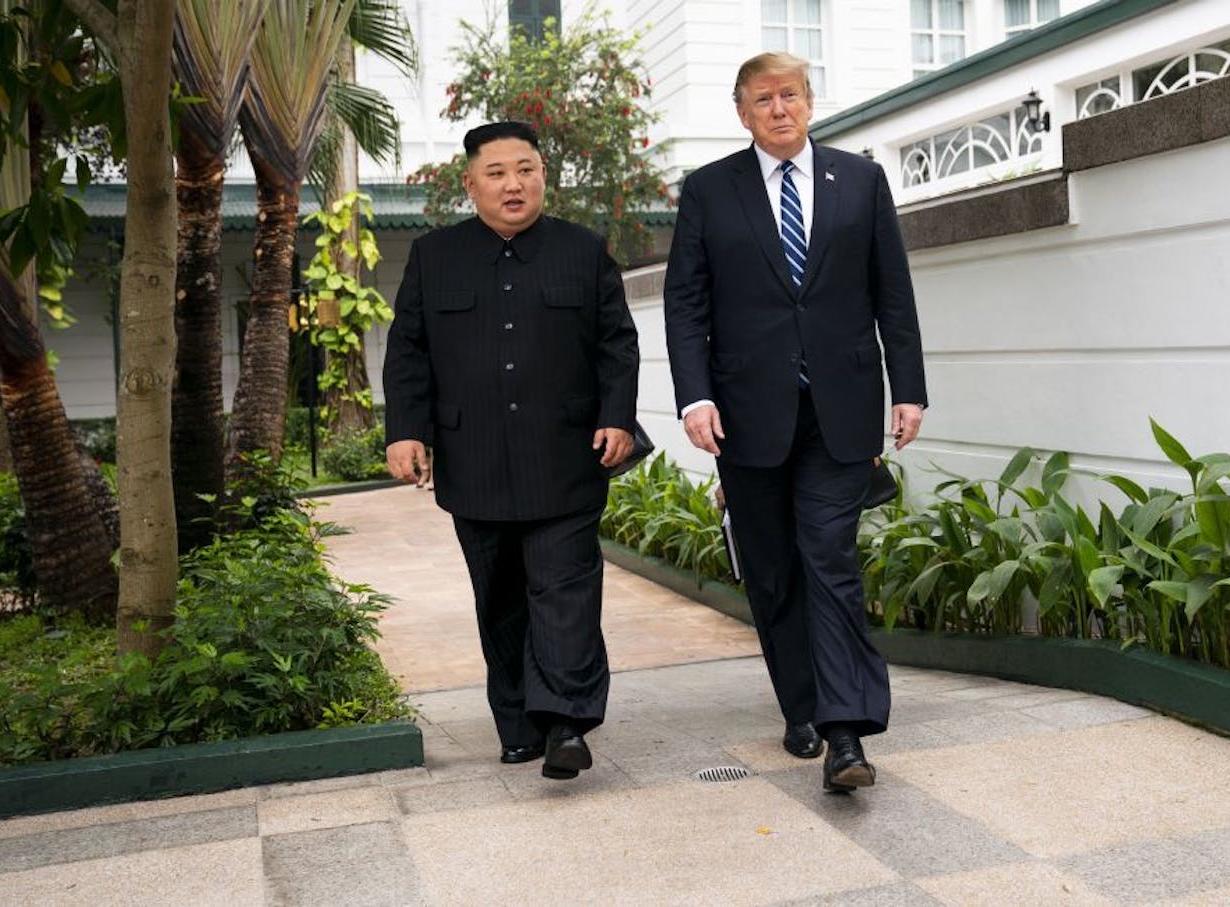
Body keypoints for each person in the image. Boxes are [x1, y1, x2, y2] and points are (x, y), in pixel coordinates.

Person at [663, 52, 927, 792]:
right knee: (774, 571)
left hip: (840, 409)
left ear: (811, 102)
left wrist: (908, 388)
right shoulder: (710, 191)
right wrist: (695, 396)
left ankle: (847, 732)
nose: (779, 109)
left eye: (790, 95)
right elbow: (686, 303)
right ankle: (801, 705)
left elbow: (892, 293)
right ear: (741, 112)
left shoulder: (862, 180)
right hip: (746, 415)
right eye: (762, 99)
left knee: (830, 560)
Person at [384, 121, 640, 780]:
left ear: (542, 176)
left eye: (524, 168)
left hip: (566, 457)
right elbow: (408, 350)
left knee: (562, 590)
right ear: (470, 185)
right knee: (499, 597)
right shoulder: (434, 256)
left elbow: (617, 343)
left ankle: (565, 722)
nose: (513, 183)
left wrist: (617, 416)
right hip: (475, 462)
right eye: (496, 172)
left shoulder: (583, 251)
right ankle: (519, 722)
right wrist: (406, 430)